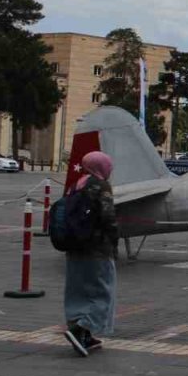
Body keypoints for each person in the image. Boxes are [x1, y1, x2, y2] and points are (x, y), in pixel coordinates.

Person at [62, 151, 119, 357]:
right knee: (103, 291)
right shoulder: (101, 185)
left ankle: (81, 331)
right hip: (97, 248)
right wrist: (114, 243)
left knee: (78, 291)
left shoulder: (75, 185)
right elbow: (108, 217)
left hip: (74, 246)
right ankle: (81, 329)